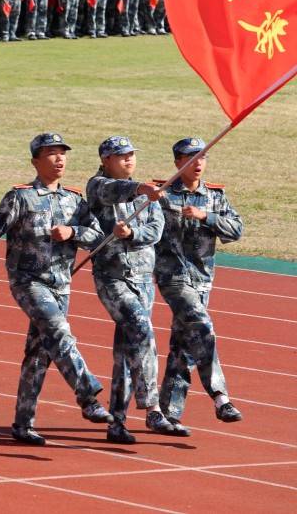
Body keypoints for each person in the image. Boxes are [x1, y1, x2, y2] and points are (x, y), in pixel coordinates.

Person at [0, 132, 111, 445]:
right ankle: (87, 394)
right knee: (58, 330)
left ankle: (23, 424)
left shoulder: (75, 200)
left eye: (62, 153)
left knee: (38, 354)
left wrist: (73, 230)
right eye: (51, 153)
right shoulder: (20, 197)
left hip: (61, 285)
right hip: (28, 282)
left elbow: (98, 236)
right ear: (35, 160)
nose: (59, 159)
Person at [86, 136, 189, 443]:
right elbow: (111, 191)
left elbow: (155, 230)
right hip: (112, 277)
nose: (128, 160)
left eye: (131, 155)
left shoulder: (148, 194)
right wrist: (139, 190)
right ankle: (154, 408)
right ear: (106, 160)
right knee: (141, 329)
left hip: (144, 278)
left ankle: (116, 423)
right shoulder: (98, 185)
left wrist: (132, 233)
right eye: (121, 156)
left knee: (127, 350)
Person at [155, 137, 244, 425]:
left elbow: (236, 231)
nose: (199, 163)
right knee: (202, 326)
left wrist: (206, 216)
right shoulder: (162, 194)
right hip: (173, 277)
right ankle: (221, 397)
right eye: (192, 158)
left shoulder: (215, 197)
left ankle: (168, 413)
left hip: (203, 280)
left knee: (184, 346)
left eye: (203, 157)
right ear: (178, 162)